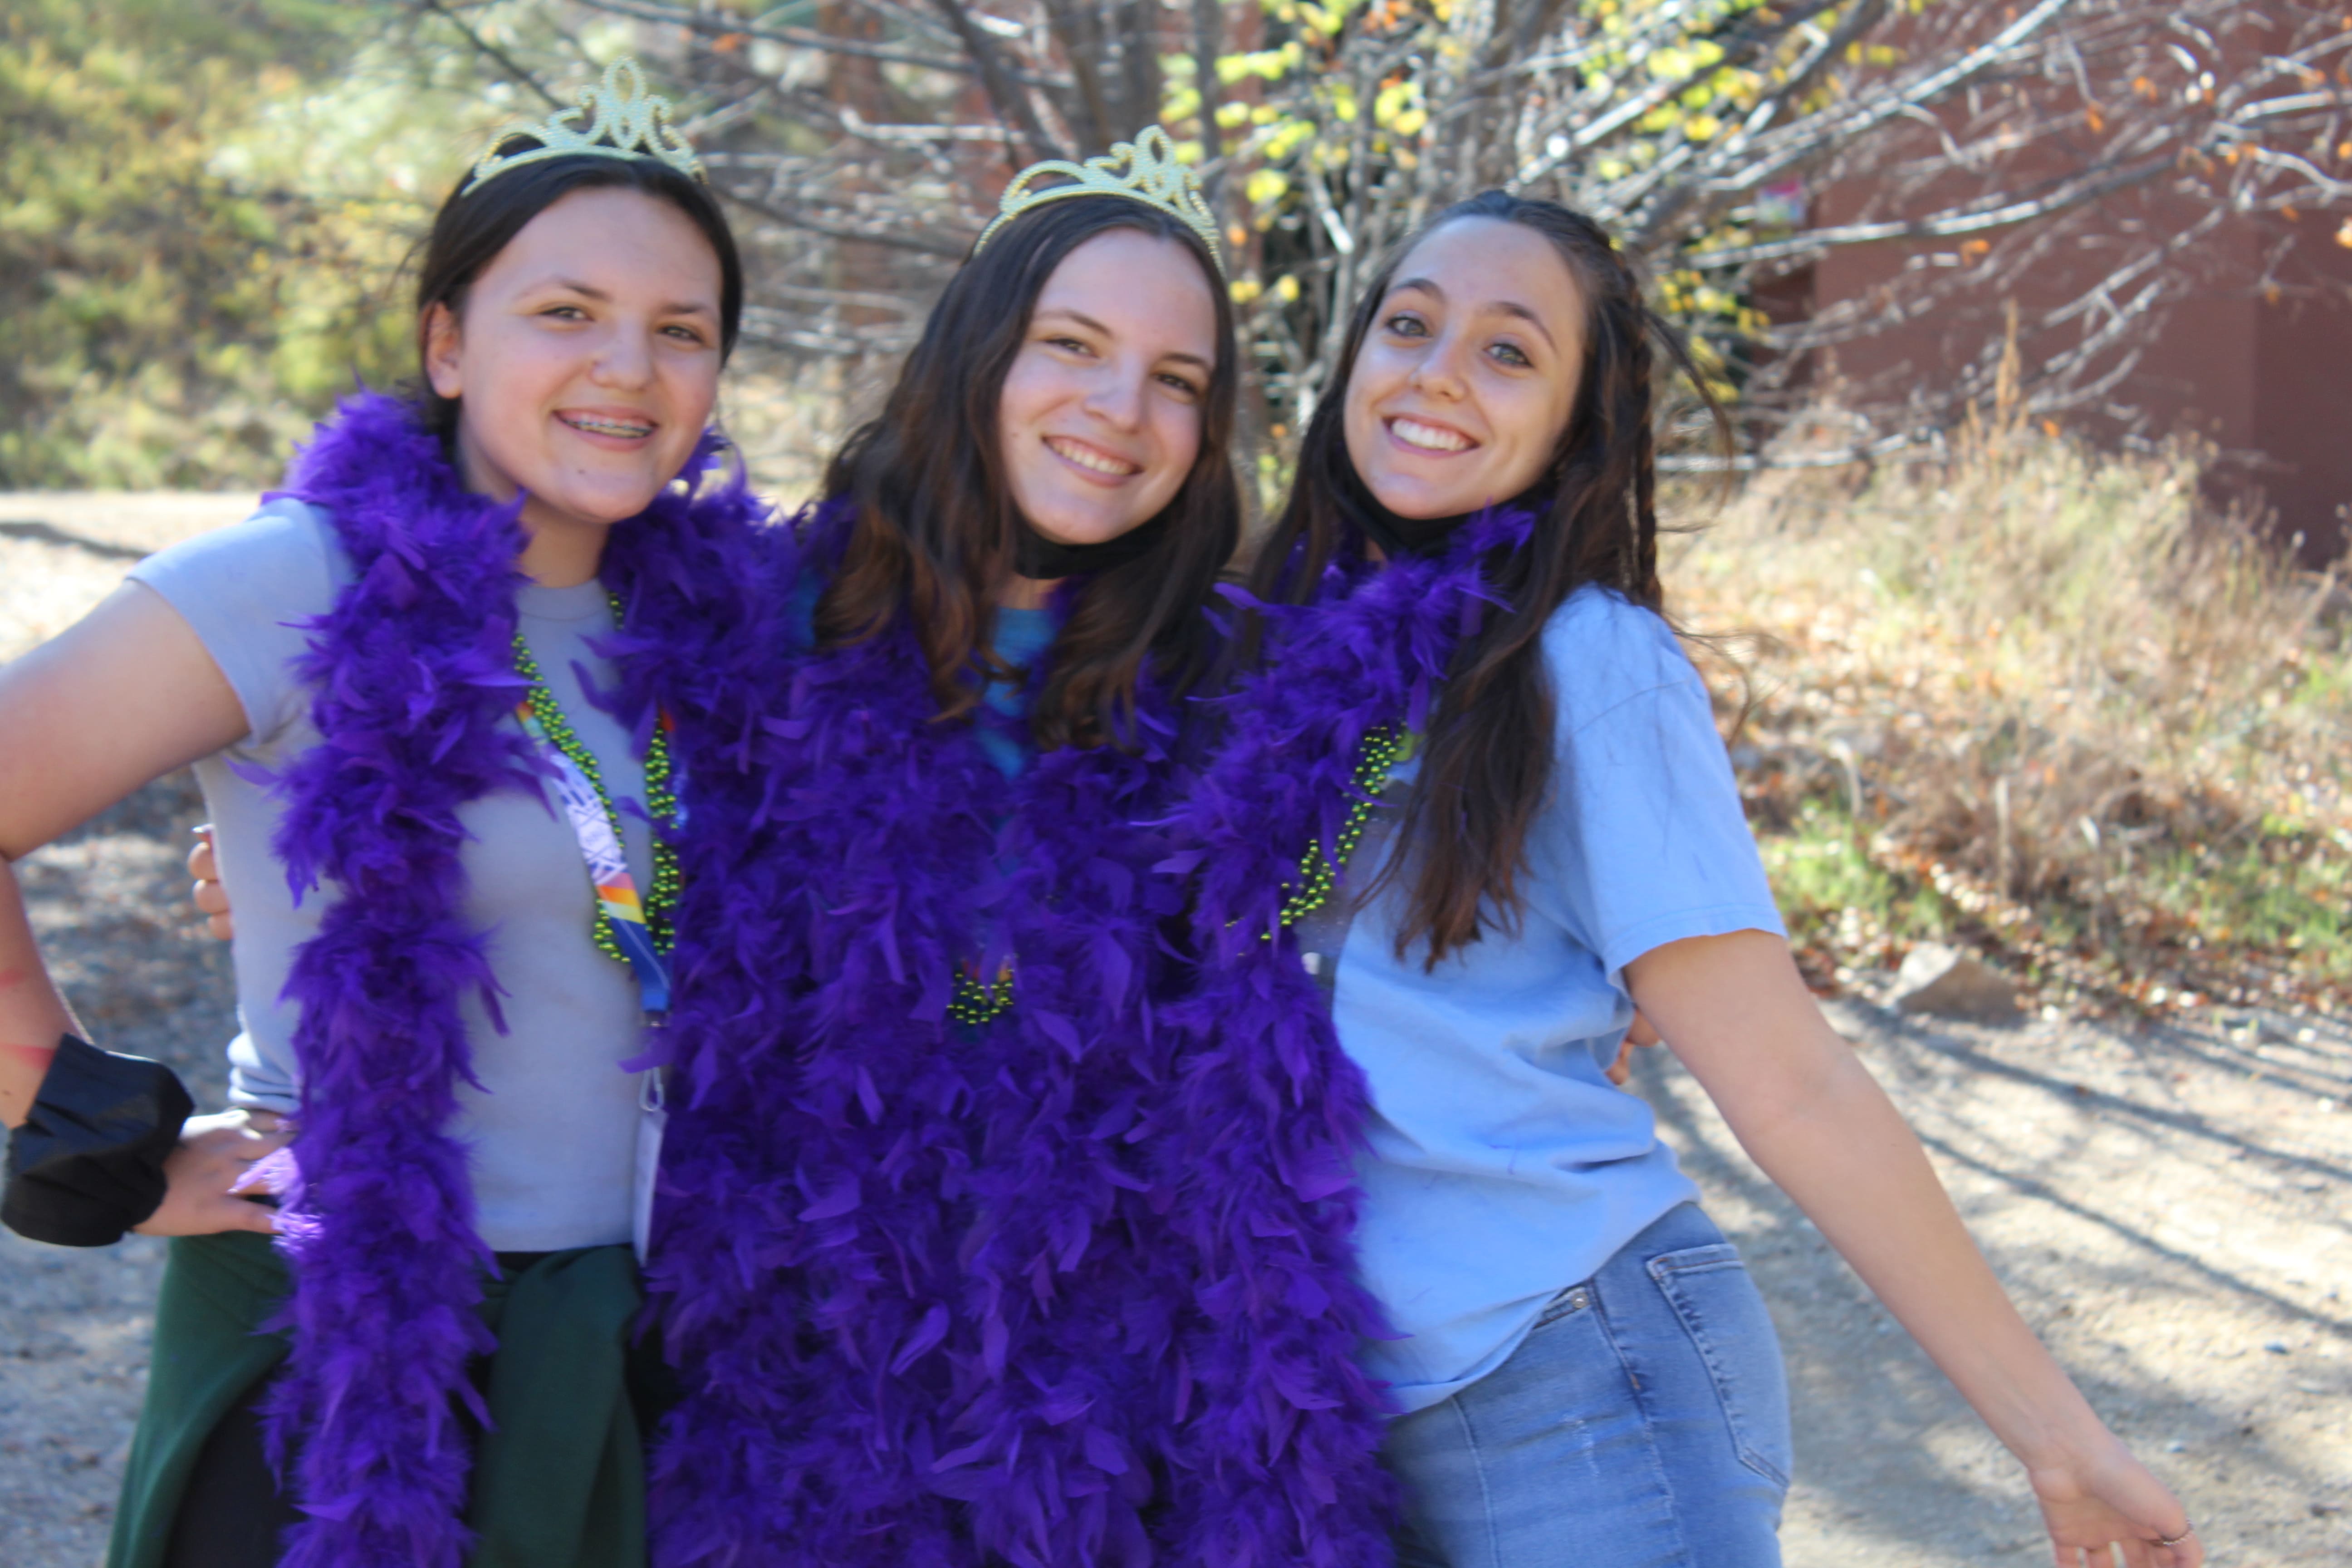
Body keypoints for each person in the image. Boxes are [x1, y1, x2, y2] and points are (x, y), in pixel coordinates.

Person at [1163, 190, 2203, 1568]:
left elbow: (1793, 1082)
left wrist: (2058, 1438)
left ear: (1578, 424)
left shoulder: (1590, 664)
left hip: (1580, 1385)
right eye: (1410, 326)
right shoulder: (1272, 657)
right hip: (1343, 1410)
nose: (1437, 373)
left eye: (1510, 351)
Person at [0, 61, 777, 1568]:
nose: (628, 367)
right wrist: (77, 1125)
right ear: (445, 340)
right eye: (565, 313)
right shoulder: (296, 582)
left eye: (680, 332)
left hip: (638, 1351)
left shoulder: (734, 624)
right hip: (353, 1367)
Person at [638, 130, 1402, 1568]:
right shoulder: (755, 622)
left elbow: (1349, 901)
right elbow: (552, 777)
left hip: (1117, 1407)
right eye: (1074, 344)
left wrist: (1579, 960)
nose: (1123, 409)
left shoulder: (1237, 685)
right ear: (980, 356)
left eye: (1179, 381)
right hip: (796, 1388)